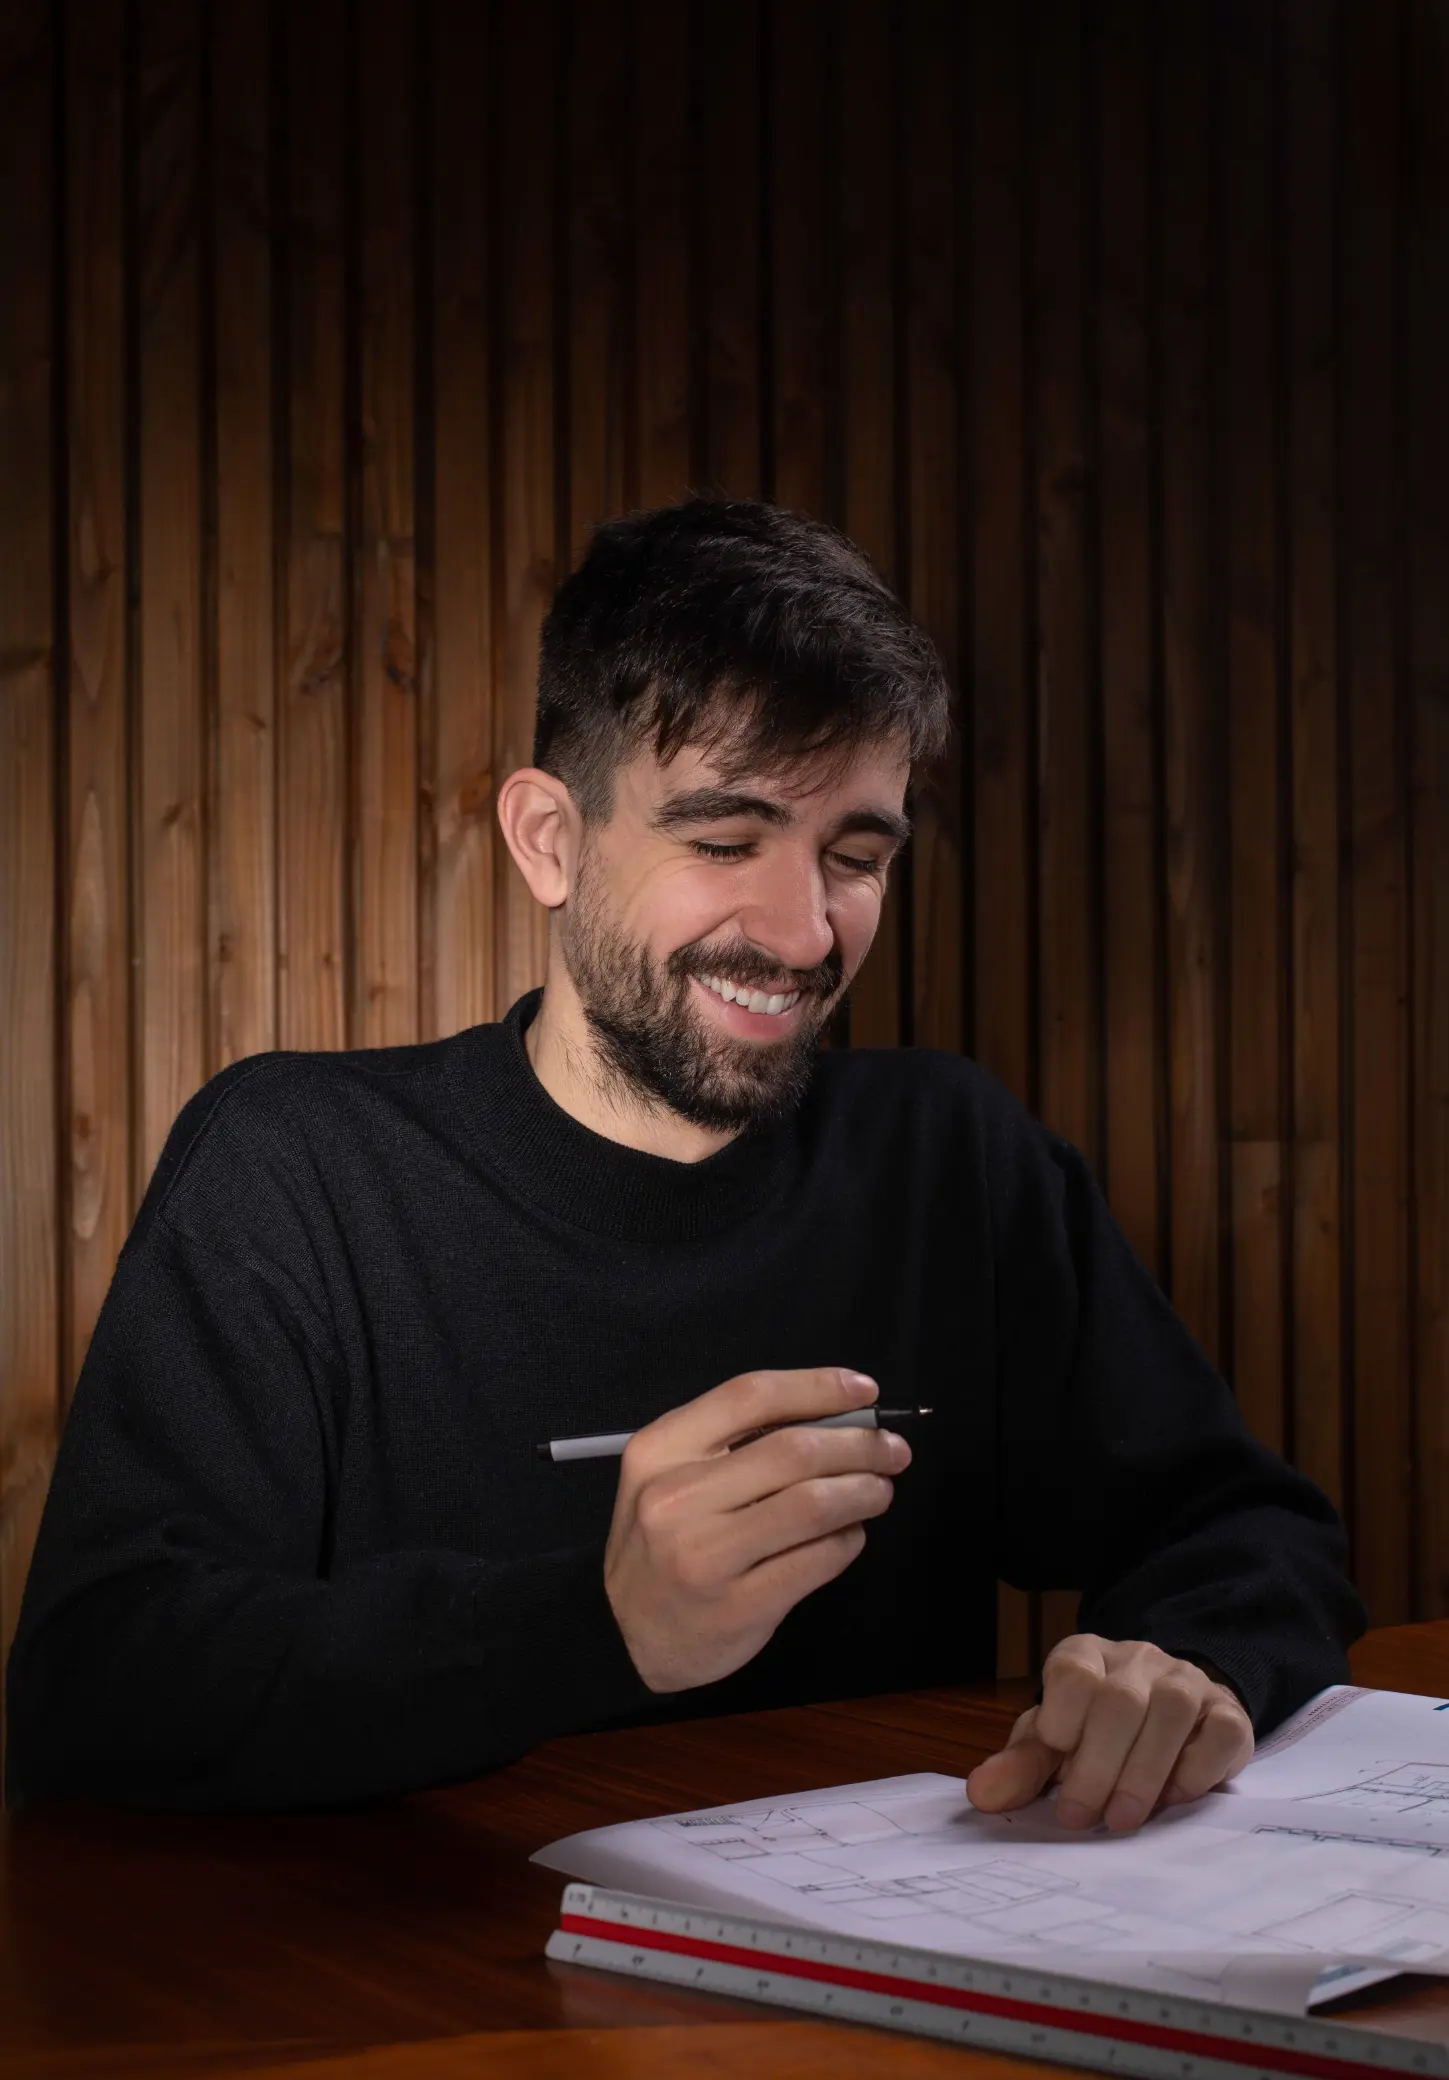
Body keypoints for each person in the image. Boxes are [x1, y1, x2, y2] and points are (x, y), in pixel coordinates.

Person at [5, 498, 1365, 1818]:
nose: (803, 932)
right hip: (409, 1965)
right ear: (551, 840)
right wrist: (598, 1622)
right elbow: (99, 1688)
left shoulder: (951, 1159)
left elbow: (1248, 1531)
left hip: (880, 1957)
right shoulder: (298, 1170)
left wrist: (1185, 1666)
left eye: (855, 857)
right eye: (725, 840)